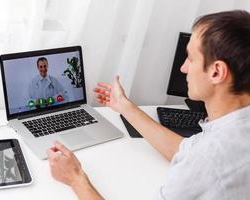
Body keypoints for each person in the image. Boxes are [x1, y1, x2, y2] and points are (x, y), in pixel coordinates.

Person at [46, 10, 250, 200]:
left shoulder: (207, 161)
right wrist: (123, 106)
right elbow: (186, 151)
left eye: (190, 58)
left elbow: (201, 159)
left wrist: (75, 178)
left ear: (216, 72)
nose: (183, 67)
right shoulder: (234, 130)